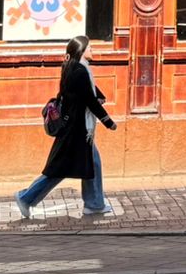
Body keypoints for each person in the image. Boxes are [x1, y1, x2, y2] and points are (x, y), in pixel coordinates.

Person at [14, 35, 117, 219]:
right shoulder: (80, 71)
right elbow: (90, 100)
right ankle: (26, 198)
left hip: (77, 129)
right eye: (89, 47)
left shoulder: (76, 68)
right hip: (76, 131)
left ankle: (94, 204)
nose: (92, 50)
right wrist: (108, 121)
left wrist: (100, 95)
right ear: (81, 50)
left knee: (92, 164)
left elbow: (88, 91)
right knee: (59, 170)